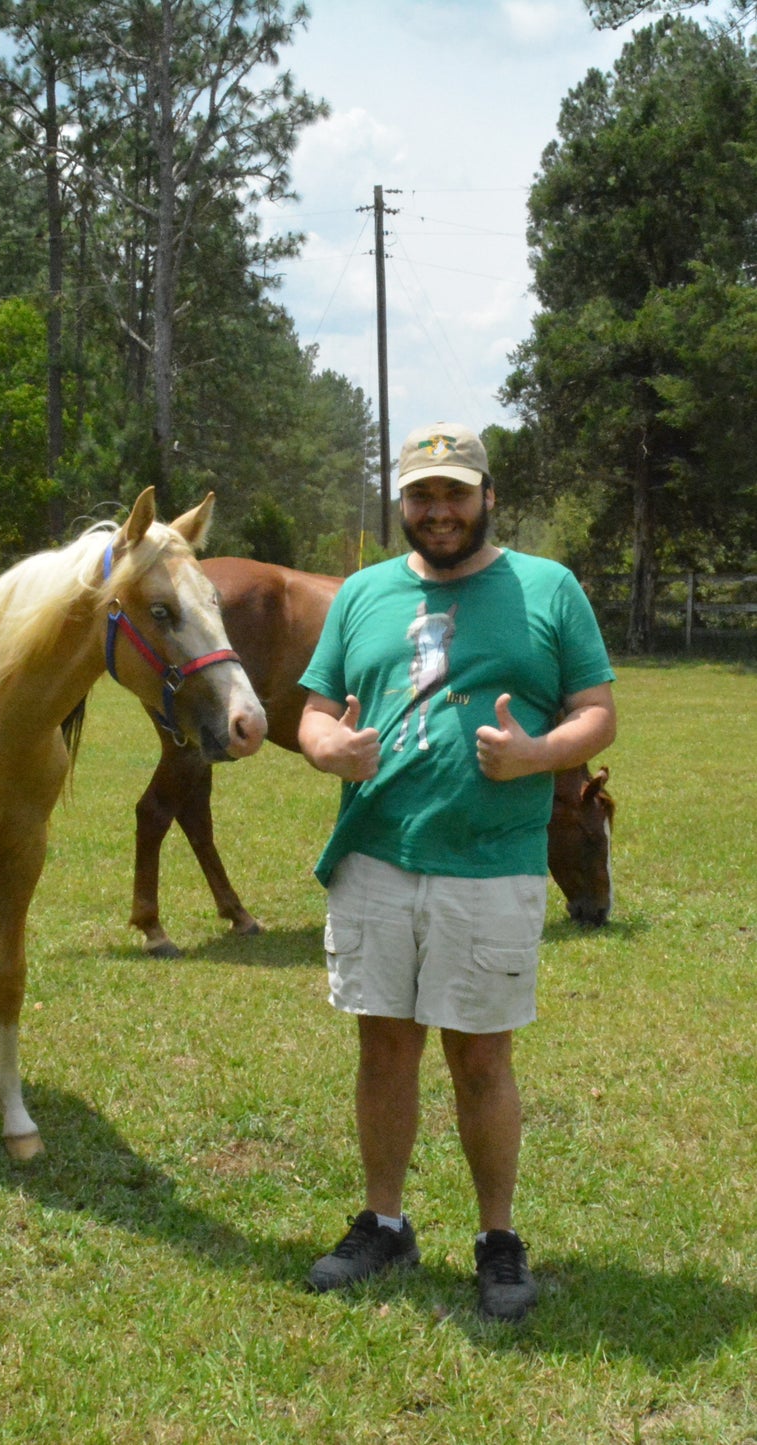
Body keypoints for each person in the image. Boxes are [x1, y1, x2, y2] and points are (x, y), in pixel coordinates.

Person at [296, 420, 616, 1323]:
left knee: (480, 1055)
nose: (437, 510)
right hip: (375, 853)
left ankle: (496, 1238)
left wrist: (539, 753)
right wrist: (332, 749)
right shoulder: (361, 593)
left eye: (454, 492)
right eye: (421, 494)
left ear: (485, 497)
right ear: (400, 501)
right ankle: (385, 1221)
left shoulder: (547, 588)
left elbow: (597, 711)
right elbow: (313, 713)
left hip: (489, 864)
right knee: (383, 1046)